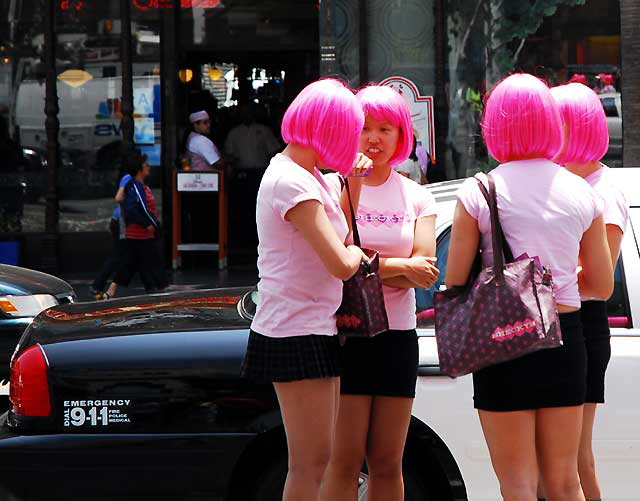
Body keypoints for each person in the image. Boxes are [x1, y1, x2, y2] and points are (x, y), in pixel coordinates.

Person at [445, 73, 613, 501]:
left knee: (517, 485)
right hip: (566, 340)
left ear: (495, 127)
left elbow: (455, 281)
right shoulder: (583, 193)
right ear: (549, 123)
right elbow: (602, 285)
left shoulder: (478, 191)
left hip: (501, 346)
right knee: (563, 482)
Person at [240, 78, 371, 501]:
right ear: (332, 129)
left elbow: (338, 240)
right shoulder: (291, 182)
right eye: (350, 130)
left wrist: (353, 187)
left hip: (310, 325)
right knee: (310, 463)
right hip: (293, 329)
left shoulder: (307, 175)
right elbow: (340, 261)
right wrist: (362, 256)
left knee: (319, 459)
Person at [322, 85, 439, 501]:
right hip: (345, 334)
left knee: (389, 462)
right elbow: (333, 262)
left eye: (385, 128)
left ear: (401, 135)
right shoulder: (334, 189)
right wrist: (397, 267)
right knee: (343, 461)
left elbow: (425, 271)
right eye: (364, 127)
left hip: (398, 336)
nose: (374, 138)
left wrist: (364, 264)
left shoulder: (417, 195)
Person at [551, 82, 629, 501]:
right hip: (562, 320)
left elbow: (601, 274)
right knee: (561, 461)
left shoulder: (603, 190)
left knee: (574, 460)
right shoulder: (568, 183)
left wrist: (536, 276)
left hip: (583, 322)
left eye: (553, 124)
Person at [103, 150, 166, 299]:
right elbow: (135, 209)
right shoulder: (136, 187)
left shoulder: (141, 186)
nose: (149, 167)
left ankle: (150, 287)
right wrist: (149, 223)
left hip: (143, 232)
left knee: (135, 262)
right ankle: (159, 286)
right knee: (149, 260)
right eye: (146, 165)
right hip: (139, 233)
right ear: (139, 169)